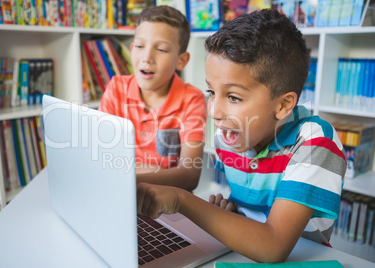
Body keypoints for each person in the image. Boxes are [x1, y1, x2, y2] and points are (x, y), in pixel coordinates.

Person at [136, 9, 346, 263]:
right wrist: (229, 214)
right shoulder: (229, 138)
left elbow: (273, 246)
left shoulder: (315, 141)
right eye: (211, 91)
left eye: (233, 97)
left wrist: (184, 201)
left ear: (282, 105)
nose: (214, 111)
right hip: (238, 253)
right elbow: (251, 216)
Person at [98, 6, 207, 191]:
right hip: (117, 195)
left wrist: (128, 178)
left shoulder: (192, 99)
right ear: (132, 49)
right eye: (140, 46)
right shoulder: (116, 88)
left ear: (181, 60)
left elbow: (189, 176)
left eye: (162, 49)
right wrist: (156, 171)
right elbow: (102, 158)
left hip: (168, 204)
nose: (147, 57)